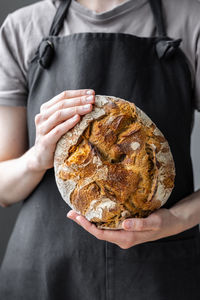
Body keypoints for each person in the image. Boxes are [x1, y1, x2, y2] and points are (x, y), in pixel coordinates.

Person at [0, 0, 200, 299]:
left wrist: (179, 220)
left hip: (158, 271)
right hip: (44, 272)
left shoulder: (190, 21)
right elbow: (3, 190)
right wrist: (35, 158)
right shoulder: (23, 27)